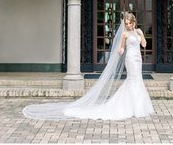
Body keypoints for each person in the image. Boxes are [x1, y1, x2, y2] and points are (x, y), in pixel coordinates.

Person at [23, 12, 154, 120]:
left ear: (134, 22)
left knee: (138, 80)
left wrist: (141, 35)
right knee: (133, 79)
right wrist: (118, 52)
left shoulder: (138, 32)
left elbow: (143, 45)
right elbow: (121, 48)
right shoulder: (125, 34)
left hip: (138, 59)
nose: (128, 26)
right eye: (126, 24)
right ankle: (133, 106)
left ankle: (137, 105)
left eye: (129, 23)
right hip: (130, 59)